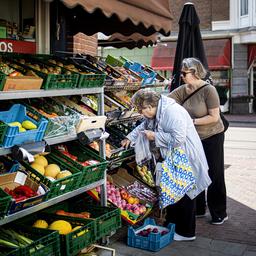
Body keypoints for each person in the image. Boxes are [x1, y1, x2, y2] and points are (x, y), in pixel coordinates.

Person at [121, 89, 211, 241]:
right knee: (174, 192)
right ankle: (173, 226)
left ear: (149, 106)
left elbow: (178, 139)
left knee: (185, 194)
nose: (142, 114)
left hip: (186, 158)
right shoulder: (158, 111)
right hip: (176, 159)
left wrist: (154, 136)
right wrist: (130, 137)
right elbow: (144, 126)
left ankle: (186, 233)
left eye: (141, 110)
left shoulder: (172, 112)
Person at [168, 57, 228, 225]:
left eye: (184, 73)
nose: (181, 75)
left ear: (194, 72)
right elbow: (166, 103)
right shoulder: (183, 89)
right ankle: (199, 208)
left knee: (214, 174)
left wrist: (191, 122)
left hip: (212, 136)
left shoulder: (209, 90)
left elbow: (214, 117)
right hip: (193, 139)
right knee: (196, 172)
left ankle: (219, 212)